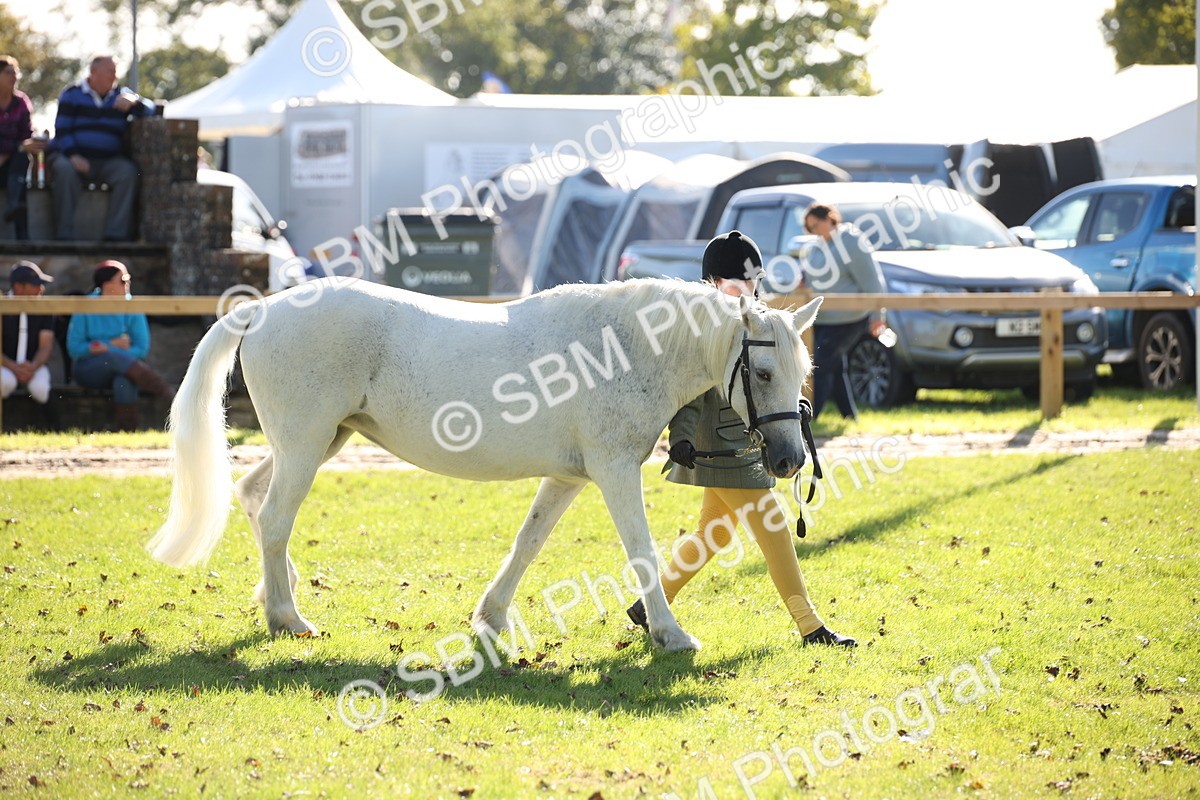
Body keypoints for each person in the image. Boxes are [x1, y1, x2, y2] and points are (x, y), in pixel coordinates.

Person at [626, 230, 857, 648]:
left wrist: (795, 408)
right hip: (715, 444)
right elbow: (689, 392)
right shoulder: (703, 327)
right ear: (713, 283)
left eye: (749, 280)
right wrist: (679, 435)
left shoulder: (763, 323)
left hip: (747, 442)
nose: (743, 288)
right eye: (733, 281)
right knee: (773, 527)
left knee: (714, 533)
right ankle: (811, 627)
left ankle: (651, 602)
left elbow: (778, 380)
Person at [48, 55, 155, 242]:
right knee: (63, 171)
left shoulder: (122, 95)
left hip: (108, 161)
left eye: (115, 72)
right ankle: (64, 235)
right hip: (74, 158)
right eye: (110, 72)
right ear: (94, 72)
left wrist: (134, 100)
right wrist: (73, 156)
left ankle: (116, 235)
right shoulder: (72, 94)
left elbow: (153, 110)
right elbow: (62, 130)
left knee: (128, 173)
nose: (114, 76)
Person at [800, 203, 888, 420]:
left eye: (817, 224)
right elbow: (810, 276)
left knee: (820, 365)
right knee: (836, 367)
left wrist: (878, 316)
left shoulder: (851, 242)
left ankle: (811, 417)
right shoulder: (818, 246)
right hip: (824, 318)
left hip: (849, 318)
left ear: (830, 218)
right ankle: (849, 416)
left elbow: (872, 281)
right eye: (810, 228)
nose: (815, 231)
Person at [66, 260, 173, 431]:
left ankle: (127, 431)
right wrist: (111, 346)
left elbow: (141, 348)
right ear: (107, 285)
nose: (128, 283)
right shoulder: (85, 305)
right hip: (88, 369)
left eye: (128, 278)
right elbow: (74, 348)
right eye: (123, 280)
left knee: (124, 379)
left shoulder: (132, 306)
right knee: (114, 357)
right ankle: (166, 393)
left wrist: (106, 348)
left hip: (124, 369)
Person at [2, 261, 55, 404]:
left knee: (41, 389)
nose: (40, 289)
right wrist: (13, 367)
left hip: (33, 365)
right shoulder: (2, 306)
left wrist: (32, 367)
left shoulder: (44, 308)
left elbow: (46, 345)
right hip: (4, 365)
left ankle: (48, 424)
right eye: (34, 285)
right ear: (18, 287)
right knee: (5, 382)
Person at [0, 56, 41, 240]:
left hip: (12, 163)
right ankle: (15, 208)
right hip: (7, 162)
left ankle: (22, 237)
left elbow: (26, 133)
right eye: (8, 72)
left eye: (15, 72)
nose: (14, 76)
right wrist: (14, 147)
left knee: (22, 159)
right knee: (18, 180)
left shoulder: (21, 102)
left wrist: (9, 151)